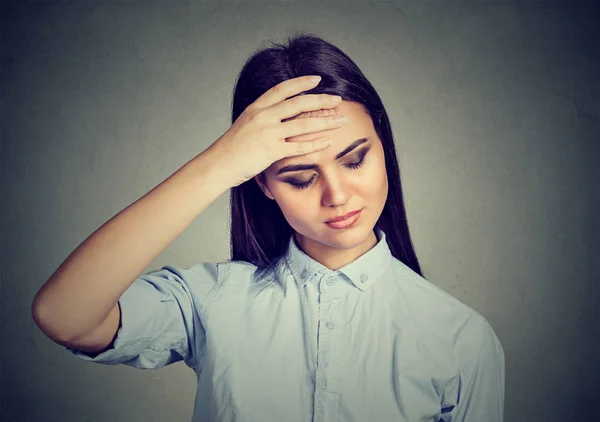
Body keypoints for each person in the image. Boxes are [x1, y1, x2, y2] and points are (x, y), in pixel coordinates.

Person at [31, 33, 505, 422]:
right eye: (300, 177)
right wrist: (219, 164)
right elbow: (63, 315)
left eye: (356, 159)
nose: (337, 195)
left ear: (383, 143)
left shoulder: (461, 339)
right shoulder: (212, 300)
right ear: (262, 184)